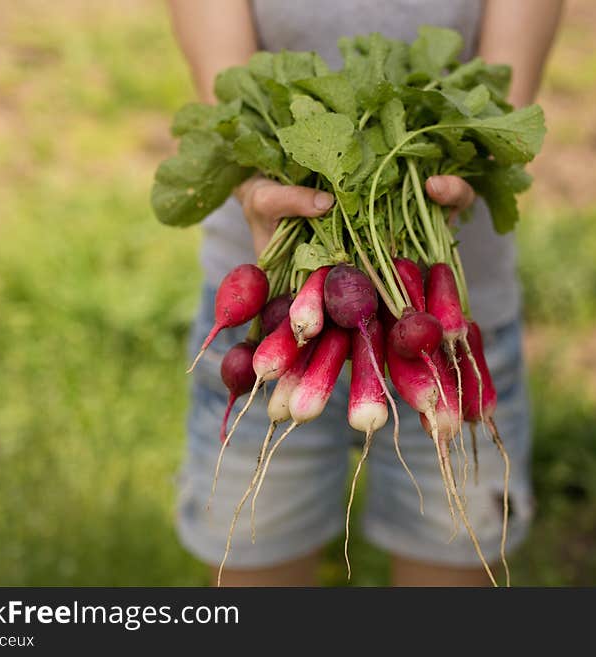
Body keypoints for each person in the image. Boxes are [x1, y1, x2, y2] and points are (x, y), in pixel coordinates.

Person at [168, 0, 563, 586]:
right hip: (273, 313)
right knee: (251, 562)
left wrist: (476, 157)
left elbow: (504, 84)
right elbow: (226, 78)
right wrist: (254, 182)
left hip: (441, 326)